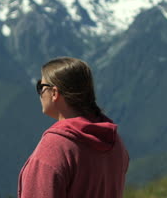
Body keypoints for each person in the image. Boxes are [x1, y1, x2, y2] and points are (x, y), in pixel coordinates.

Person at [18, 57, 129, 198]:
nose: (40, 93)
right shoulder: (115, 143)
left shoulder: (53, 149)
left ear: (54, 93)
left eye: (41, 86)